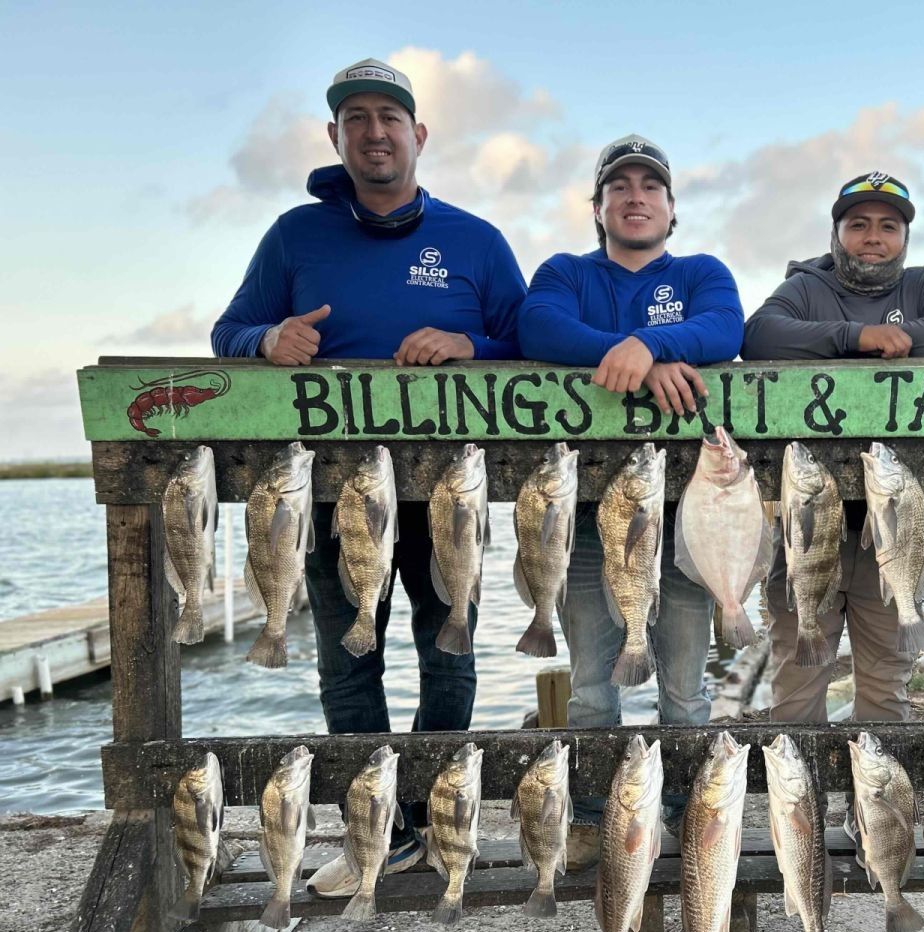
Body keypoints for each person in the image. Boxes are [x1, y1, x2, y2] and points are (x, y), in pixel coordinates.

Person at [210, 58, 527, 896]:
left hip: (446, 499)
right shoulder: (293, 235)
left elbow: (528, 341)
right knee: (348, 658)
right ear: (335, 138)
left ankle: (425, 822)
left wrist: (471, 347)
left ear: (419, 134)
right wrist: (265, 340)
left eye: (391, 116)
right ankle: (366, 832)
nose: (376, 131)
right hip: (331, 496)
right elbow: (229, 329)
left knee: (448, 651)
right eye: (357, 118)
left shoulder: (476, 240)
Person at [516, 134, 744, 866]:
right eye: (621, 187)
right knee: (589, 685)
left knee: (684, 688)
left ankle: (684, 816)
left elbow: (727, 327)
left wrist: (646, 342)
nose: (636, 196)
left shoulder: (702, 271)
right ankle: (590, 818)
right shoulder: (563, 272)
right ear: (598, 207)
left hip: (682, 520)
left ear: (672, 209)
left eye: (651, 186)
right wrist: (645, 362)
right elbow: (539, 328)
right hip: (583, 522)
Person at [741, 171, 924, 727]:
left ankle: (874, 813)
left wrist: (893, 339)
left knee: (886, 687)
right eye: (858, 224)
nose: (873, 236)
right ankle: (798, 811)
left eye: (888, 226)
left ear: (904, 238)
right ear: (836, 233)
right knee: (796, 689)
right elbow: (760, 336)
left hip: (896, 527)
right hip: (808, 525)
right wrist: (857, 338)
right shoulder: (806, 287)